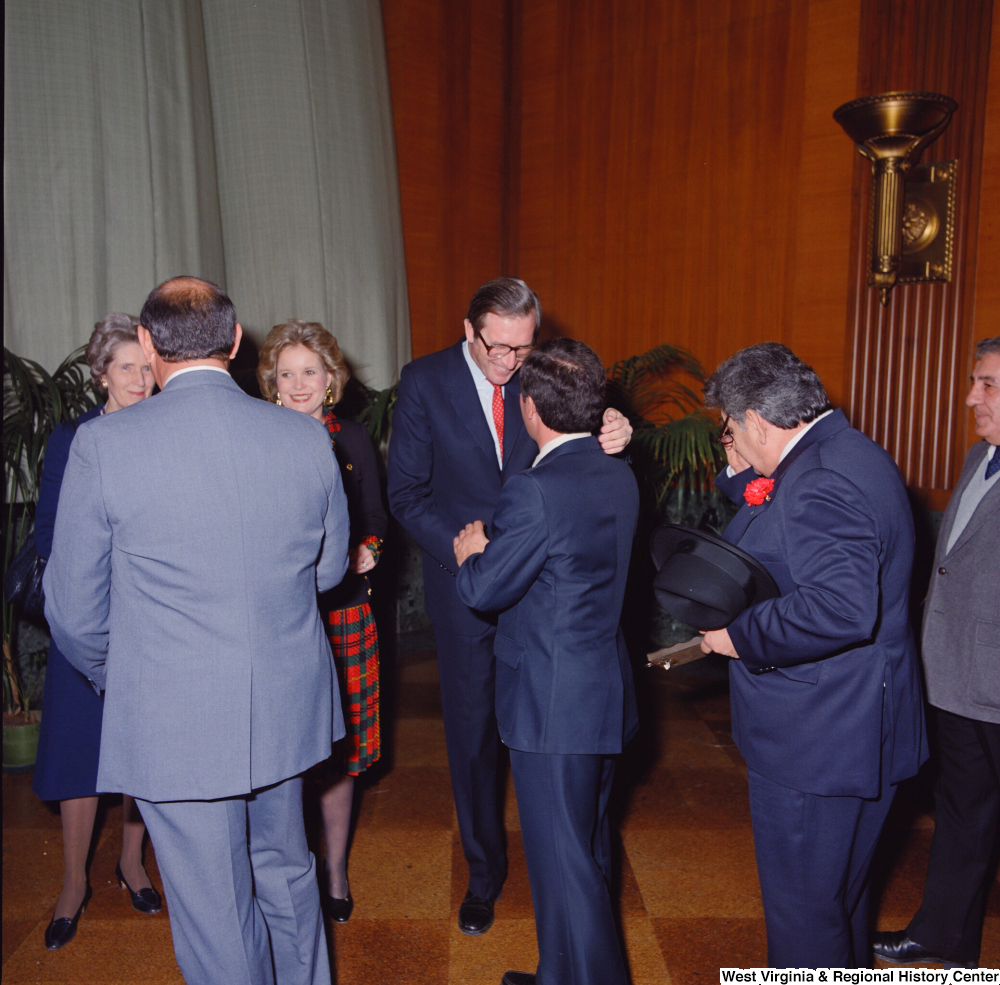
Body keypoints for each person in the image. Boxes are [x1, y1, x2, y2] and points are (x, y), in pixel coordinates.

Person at [42, 277, 350, 985]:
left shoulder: (104, 445)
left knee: (216, 912)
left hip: (174, 719)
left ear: (147, 346)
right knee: (287, 872)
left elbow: (74, 609)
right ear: (237, 342)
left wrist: (124, 678)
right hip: (284, 700)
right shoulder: (304, 435)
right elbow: (329, 569)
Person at [386, 277, 631, 935]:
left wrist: (615, 427)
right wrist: (473, 552)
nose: (511, 362)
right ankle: (483, 872)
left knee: (549, 738)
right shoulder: (424, 381)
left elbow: (581, 435)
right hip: (465, 584)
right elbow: (406, 494)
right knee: (472, 739)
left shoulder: (548, 371)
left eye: (523, 348)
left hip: (545, 593)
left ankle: (577, 884)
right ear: (469, 331)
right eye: (499, 346)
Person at [700, 342, 926, 969]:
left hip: (818, 737)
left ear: (757, 422)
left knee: (804, 920)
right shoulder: (848, 451)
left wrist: (737, 636)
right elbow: (775, 518)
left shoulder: (818, 480)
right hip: (858, 721)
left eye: (730, 427)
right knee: (836, 907)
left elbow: (838, 607)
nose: (729, 438)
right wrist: (738, 463)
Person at [453, 338, 639, 985]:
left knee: (570, 870)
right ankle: (561, 973)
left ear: (529, 407)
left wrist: (472, 551)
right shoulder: (618, 471)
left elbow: (483, 590)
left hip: (553, 707)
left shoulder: (536, 491)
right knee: (583, 852)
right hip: (604, 693)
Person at [32, 313, 160, 950]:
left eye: (146, 364)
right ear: (100, 373)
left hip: (154, 618)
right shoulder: (73, 438)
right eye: (125, 367)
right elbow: (50, 534)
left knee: (141, 749)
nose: (139, 378)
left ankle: (132, 863)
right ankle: (71, 883)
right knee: (79, 752)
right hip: (86, 617)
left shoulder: (167, 432)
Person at [872, 335, 1000, 970]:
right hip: (957, 679)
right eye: (976, 380)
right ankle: (942, 942)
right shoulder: (981, 456)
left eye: (989, 384)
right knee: (963, 815)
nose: (972, 396)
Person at [257, 320, 386, 923]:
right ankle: (287, 869)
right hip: (275, 620)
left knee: (341, 752)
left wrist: (369, 551)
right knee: (280, 753)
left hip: (341, 615)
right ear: (272, 383)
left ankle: (333, 868)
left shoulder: (353, 440)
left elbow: (378, 523)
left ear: (331, 380)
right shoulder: (255, 438)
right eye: (288, 373)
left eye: (311, 371)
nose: (299, 383)